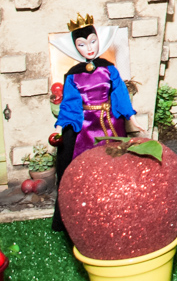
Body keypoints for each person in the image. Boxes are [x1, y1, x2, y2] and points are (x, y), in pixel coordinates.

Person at [52, 14, 140, 232]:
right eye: (82, 44)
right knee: (86, 167)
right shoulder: (72, 75)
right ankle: (86, 210)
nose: (89, 48)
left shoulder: (108, 68)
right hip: (86, 127)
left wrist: (132, 117)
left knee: (115, 162)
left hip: (111, 122)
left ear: (99, 39)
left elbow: (120, 94)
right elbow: (71, 103)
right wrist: (63, 123)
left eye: (92, 41)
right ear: (75, 47)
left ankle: (119, 206)